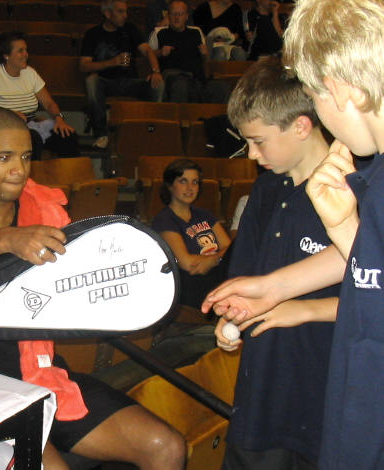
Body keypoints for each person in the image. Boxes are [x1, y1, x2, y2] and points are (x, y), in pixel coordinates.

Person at [0, 106, 187, 470]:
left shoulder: (44, 215)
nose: (19, 169)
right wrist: (7, 239)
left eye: (25, 157)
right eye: (4, 157)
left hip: (43, 373)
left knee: (166, 447)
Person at [202, 1, 384, 469]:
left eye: (314, 94)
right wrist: (269, 291)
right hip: (282, 398)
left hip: (335, 398)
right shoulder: (285, 190)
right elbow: (367, 262)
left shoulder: (365, 180)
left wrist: (302, 307)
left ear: (337, 89)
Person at [210, 56, 340, 470]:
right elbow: (246, 279)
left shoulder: (351, 191)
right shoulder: (266, 190)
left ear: (301, 126)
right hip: (262, 391)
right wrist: (230, 316)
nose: (252, 153)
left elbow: (369, 297)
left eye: (259, 141)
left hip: (324, 391)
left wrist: (303, 309)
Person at [0, 31, 79, 159]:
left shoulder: (30, 73)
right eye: (20, 51)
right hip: (6, 127)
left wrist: (59, 118)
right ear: (6, 55)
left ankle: (69, 172)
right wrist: (9, 113)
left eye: (26, 50)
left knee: (68, 135)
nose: (26, 54)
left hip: (31, 125)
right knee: (32, 139)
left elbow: (49, 103)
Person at [80, 0, 164, 149]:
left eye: (126, 11)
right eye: (120, 11)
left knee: (158, 84)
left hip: (130, 82)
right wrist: (112, 62)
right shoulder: (93, 34)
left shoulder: (130, 29)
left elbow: (147, 50)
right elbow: (84, 66)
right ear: (107, 14)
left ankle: (150, 131)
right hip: (105, 82)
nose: (125, 15)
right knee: (91, 80)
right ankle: (101, 134)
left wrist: (156, 71)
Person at [152, 158, 230, 308]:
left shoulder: (205, 215)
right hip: (190, 287)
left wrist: (212, 260)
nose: (190, 188)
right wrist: (219, 258)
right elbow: (187, 263)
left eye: (195, 182)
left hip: (218, 279)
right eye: (183, 181)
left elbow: (230, 248)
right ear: (169, 185)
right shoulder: (164, 220)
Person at [148, 0, 227, 103]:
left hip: (196, 78)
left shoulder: (196, 32)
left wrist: (204, 55)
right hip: (173, 77)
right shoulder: (159, 33)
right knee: (181, 84)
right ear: (168, 16)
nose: (177, 17)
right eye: (173, 14)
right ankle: (181, 113)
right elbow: (147, 55)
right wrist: (160, 52)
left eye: (180, 14)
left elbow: (205, 64)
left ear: (186, 16)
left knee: (222, 87)